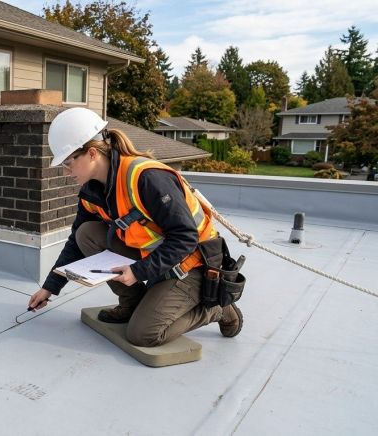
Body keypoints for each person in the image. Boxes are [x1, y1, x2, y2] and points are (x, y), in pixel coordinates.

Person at [27, 108, 242, 347]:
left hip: (194, 263)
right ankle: (132, 303)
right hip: (156, 257)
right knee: (86, 234)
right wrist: (50, 287)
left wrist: (139, 272)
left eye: (68, 163)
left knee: (143, 335)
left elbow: (185, 237)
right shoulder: (91, 192)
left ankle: (215, 309)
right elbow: (75, 243)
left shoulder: (146, 178)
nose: (66, 172)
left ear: (91, 153)